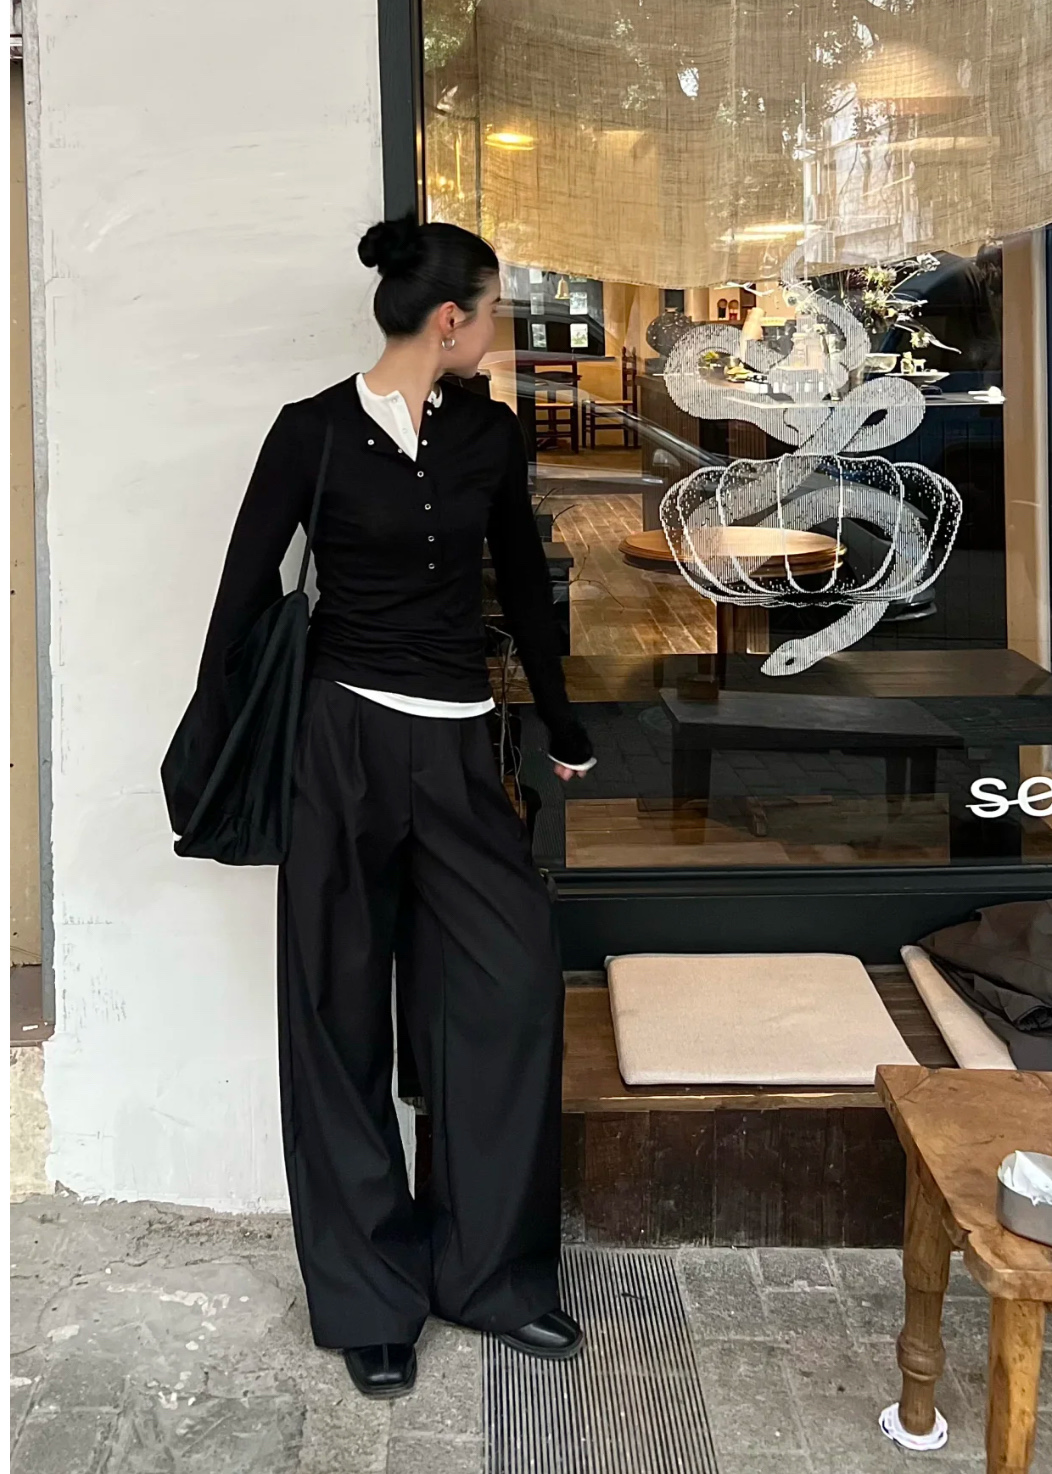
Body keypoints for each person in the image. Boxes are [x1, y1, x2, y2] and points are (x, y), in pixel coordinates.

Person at [193, 211, 596, 1398]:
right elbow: (241, 598)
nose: (498, 330)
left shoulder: (489, 435)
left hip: (461, 751)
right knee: (337, 1012)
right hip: (340, 747)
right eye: (494, 310)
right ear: (450, 319)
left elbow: (521, 582)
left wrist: (564, 724)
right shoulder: (311, 432)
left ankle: (490, 1276)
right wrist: (215, 750)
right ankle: (371, 1293)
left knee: (510, 987)